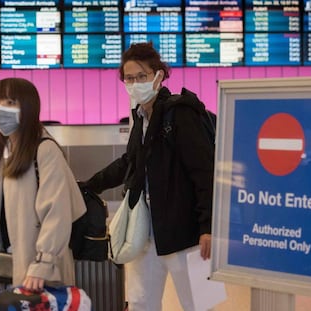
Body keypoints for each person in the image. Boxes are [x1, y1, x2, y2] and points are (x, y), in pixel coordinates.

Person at [83, 42, 214, 310]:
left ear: (158, 75)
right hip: (146, 232)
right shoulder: (141, 117)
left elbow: (204, 172)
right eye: (129, 78)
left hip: (185, 233)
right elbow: (129, 163)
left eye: (141, 76)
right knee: (142, 302)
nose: (134, 83)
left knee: (199, 305)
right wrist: (88, 185)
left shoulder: (181, 113)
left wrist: (208, 227)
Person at [0, 77, 86, 291]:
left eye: (10, 103)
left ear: (28, 107)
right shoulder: (8, 149)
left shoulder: (45, 150)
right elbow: (1, 188)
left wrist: (43, 264)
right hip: (15, 256)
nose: (0, 110)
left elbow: (57, 213)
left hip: (43, 266)